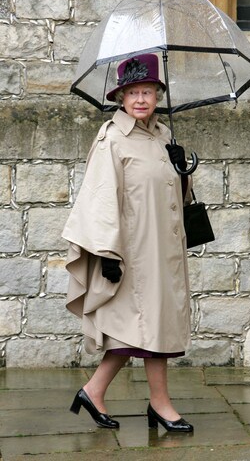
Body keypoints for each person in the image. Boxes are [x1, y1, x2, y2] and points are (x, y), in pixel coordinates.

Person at [62, 53, 193, 433]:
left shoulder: (164, 135)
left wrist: (182, 170)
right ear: (120, 97)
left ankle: (94, 392)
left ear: (158, 95)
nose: (140, 99)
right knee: (142, 329)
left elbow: (174, 197)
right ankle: (160, 404)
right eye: (132, 92)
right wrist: (106, 255)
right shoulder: (113, 139)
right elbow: (100, 198)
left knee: (147, 329)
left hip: (162, 250)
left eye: (148, 91)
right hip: (129, 251)